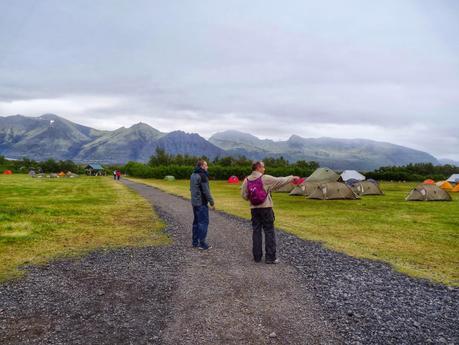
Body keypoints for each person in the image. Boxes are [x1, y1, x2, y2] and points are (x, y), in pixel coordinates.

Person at [241, 161, 298, 264]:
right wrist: (291, 177)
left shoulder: (247, 180)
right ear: (258, 167)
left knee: (256, 231)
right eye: (263, 167)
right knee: (269, 231)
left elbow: (244, 195)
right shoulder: (264, 178)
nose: (264, 169)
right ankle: (270, 257)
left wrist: (252, 199)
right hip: (266, 208)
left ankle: (257, 257)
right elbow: (279, 181)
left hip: (254, 209)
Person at [190, 159, 215, 250]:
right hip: (201, 203)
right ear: (202, 166)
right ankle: (202, 243)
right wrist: (212, 202)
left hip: (194, 203)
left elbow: (191, 189)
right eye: (206, 165)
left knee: (196, 222)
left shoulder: (193, 175)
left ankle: (195, 242)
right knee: (203, 222)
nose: (207, 167)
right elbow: (206, 191)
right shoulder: (203, 176)